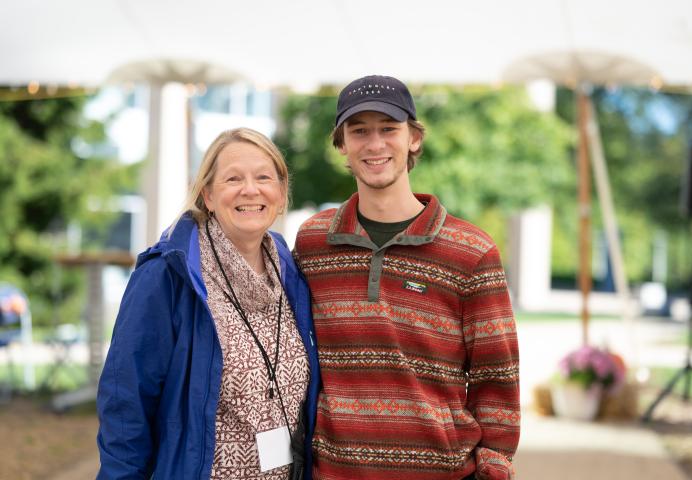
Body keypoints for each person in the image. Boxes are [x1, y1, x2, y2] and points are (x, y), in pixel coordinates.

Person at [293, 75, 520, 480]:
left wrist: (494, 469)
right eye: (359, 131)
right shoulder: (313, 242)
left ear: (414, 138)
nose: (375, 144)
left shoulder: (471, 250)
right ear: (341, 144)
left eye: (389, 129)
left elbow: (497, 377)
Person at [97, 127, 320, 480]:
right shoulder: (168, 274)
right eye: (233, 179)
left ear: (280, 193)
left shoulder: (291, 270)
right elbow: (126, 406)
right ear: (208, 196)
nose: (250, 189)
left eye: (263, 177)